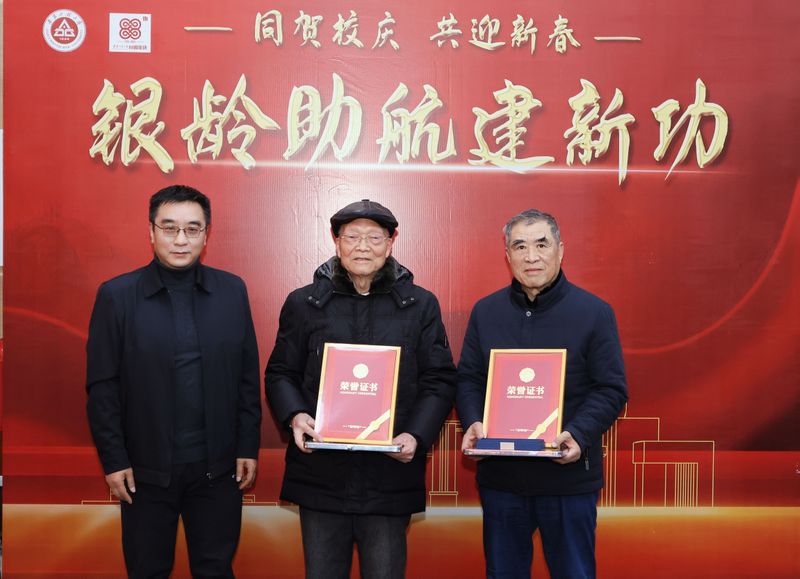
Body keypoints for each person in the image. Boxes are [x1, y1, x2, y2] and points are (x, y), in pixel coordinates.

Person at [265, 199, 456, 579]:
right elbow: (280, 372)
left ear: (391, 242)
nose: (363, 247)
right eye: (352, 237)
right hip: (321, 474)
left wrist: (415, 435)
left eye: (374, 237)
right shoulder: (304, 303)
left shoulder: (420, 305)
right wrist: (295, 416)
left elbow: (439, 378)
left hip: (389, 474)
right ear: (336, 242)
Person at [86, 184, 262, 578]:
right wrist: (114, 460)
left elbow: (247, 377)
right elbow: (102, 387)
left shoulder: (231, 291)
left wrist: (247, 446)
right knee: (147, 570)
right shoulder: (117, 295)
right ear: (151, 232)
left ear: (206, 234)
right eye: (169, 228)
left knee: (215, 569)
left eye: (192, 229)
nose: (181, 240)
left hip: (218, 469)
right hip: (144, 472)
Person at [456, 209, 628, 579]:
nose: (531, 256)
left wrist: (579, 433)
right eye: (520, 246)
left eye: (541, 245)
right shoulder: (486, 312)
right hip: (503, 479)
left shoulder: (594, 312)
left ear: (560, 250)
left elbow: (611, 388)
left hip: (567, 479)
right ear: (507, 255)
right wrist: (473, 421)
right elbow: (468, 377)